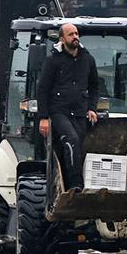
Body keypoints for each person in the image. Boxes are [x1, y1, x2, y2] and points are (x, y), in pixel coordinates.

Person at [36, 23, 99, 190]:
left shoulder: (88, 59)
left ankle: (81, 184)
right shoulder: (53, 61)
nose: (75, 37)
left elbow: (94, 87)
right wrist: (43, 117)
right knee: (71, 140)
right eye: (71, 34)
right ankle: (75, 186)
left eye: (77, 33)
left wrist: (92, 108)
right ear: (62, 39)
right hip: (58, 112)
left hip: (79, 112)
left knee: (79, 146)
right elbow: (42, 89)